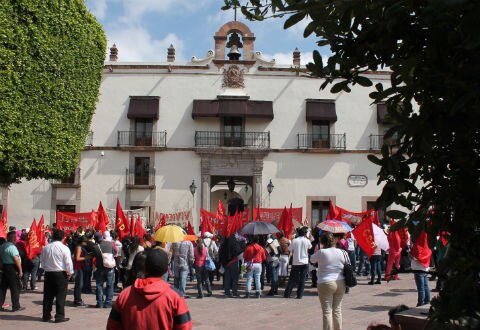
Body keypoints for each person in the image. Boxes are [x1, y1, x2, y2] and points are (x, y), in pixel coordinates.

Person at [106, 249, 192, 330]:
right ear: (166, 270)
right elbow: (185, 327)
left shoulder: (125, 295)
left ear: (145, 268)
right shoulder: (175, 297)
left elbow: (112, 326)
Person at [40, 229, 73, 323]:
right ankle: (59, 316)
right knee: (60, 295)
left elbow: (42, 262)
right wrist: (70, 272)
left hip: (49, 273)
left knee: (48, 295)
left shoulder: (46, 247)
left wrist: (47, 268)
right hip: (60, 274)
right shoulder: (64, 248)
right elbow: (68, 262)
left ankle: (46, 315)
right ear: (63, 238)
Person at [283, 227, 312, 299]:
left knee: (292, 278)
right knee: (302, 279)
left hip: (296, 262)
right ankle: (300, 295)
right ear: (305, 234)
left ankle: (287, 293)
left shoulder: (294, 240)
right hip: (304, 262)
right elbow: (310, 247)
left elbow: (290, 249)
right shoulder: (307, 241)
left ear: (298, 233)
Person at [0, 231, 24, 312]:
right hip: (12, 268)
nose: (16, 239)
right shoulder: (12, 247)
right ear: (13, 238)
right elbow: (16, 259)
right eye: (15, 238)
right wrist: (20, 270)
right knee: (15, 288)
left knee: (3, 288)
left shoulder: (2, 246)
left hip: (5, 267)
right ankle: (16, 306)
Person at [93, 231, 115, 308]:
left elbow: (93, 256)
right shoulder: (110, 244)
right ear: (102, 237)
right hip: (110, 268)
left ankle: (100, 303)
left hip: (100, 268)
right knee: (110, 285)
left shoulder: (95, 247)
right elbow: (114, 253)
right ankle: (108, 302)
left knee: (99, 285)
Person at [73, 236, 90, 307]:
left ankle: (77, 299)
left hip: (80, 267)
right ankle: (78, 300)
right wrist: (86, 257)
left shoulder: (79, 247)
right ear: (82, 242)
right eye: (86, 242)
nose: (86, 244)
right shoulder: (79, 247)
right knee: (79, 284)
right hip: (78, 268)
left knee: (79, 284)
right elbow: (77, 258)